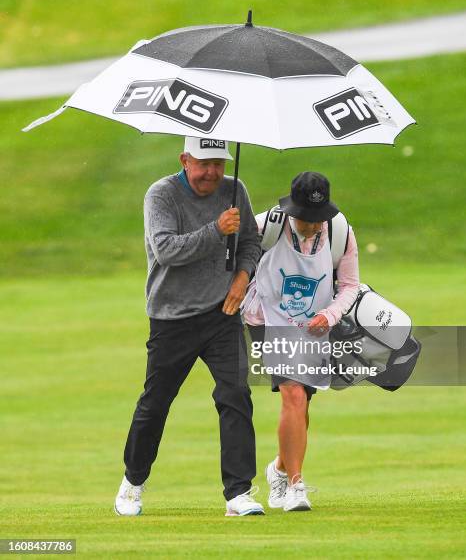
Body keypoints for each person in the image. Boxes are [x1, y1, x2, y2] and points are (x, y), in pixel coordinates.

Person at [114, 137, 264, 517]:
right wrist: (216, 229)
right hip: (172, 317)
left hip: (222, 313)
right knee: (156, 403)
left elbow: (250, 242)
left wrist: (243, 277)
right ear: (184, 159)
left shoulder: (235, 189)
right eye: (204, 163)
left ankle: (238, 494)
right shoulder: (161, 195)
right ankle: (133, 482)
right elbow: (166, 250)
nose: (213, 172)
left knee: (235, 396)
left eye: (219, 163)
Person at [243, 171, 360, 511]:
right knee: (292, 392)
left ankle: (279, 469)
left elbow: (350, 285)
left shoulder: (340, 232)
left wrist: (331, 315)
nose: (312, 226)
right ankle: (296, 485)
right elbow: (234, 261)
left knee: (302, 405)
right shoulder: (266, 225)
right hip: (267, 319)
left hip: (315, 325)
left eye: (317, 219)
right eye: (305, 219)